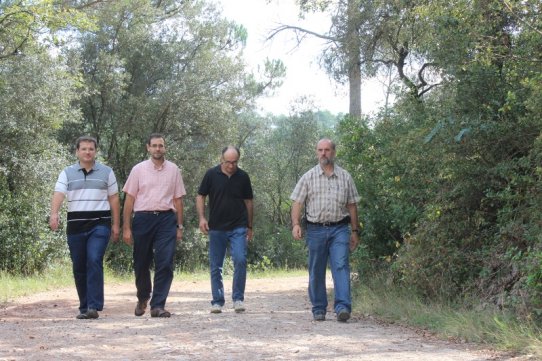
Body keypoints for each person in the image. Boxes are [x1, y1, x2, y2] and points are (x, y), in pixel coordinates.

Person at [49, 136, 120, 320]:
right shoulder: (67, 173)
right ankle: (84, 306)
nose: (88, 152)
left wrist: (116, 224)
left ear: (95, 151)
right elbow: (59, 193)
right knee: (79, 266)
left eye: (91, 149)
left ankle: (93, 306)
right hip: (76, 225)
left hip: (99, 223)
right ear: (77, 152)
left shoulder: (106, 172)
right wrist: (54, 214)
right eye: (84, 149)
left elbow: (114, 198)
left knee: (94, 259)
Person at [290, 138, 361, 322]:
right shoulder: (308, 177)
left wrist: (355, 231)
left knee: (341, 266)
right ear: (316, 152)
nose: (324, 153)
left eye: (327, 150)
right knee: (316, 269)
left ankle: (343, 307)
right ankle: (319, 308)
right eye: (320, 150)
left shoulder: (345, 176)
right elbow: (297, 202)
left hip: (340, 229)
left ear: (334, 152)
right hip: (315, 230)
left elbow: (352, 205)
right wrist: (296, 224)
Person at [122, 133, 186, 318]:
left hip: (167, 219)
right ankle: (143, 296)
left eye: (161, 145)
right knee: (141, 262)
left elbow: (178, 199)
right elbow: (129, 200)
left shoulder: (174, 170)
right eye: (155, 146)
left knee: (165, 262)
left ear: (165, 148)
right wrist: (126, 227)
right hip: (143, 218)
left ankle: (158, 305)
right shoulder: (138, 170)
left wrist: (179, 227)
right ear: (148, 148)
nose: (158, 149)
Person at [196, 146, 254, 314]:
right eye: (228, 162)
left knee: (240, 259)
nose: (231, 166)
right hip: (217, 227)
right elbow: (200, 196)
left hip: (239, 226)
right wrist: (201, 218)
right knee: (216, 265)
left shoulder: (243, 177)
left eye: (234, 162)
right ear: (222, 159)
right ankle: (217, 301)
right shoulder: (211, 174)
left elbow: (249, 202)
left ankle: (238, 299)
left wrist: (250, 226)